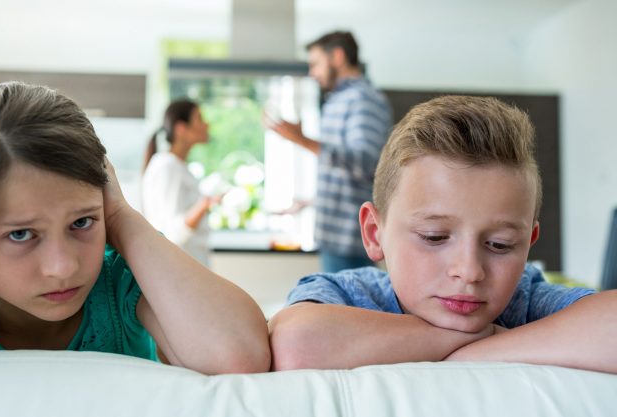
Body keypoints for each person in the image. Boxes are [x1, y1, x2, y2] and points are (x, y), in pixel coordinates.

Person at [0, 82, 271, 374]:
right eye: (20, 234)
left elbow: (239, 356)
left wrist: (123, 220)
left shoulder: (119, 287)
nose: (63, 266)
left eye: (82, 222)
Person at [268, 95, 617, 373]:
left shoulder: (524, 299)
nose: (469, 271)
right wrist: (478, 335)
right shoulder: (345, 294)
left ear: (528, 245)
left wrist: (483, 349)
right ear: (375, 233)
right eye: (434, 237)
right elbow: (294, 344)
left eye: (500, 245)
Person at [266, 30, 392, 272]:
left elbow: (367, 163)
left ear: (337, 56)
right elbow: (346, 176)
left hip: (349, 241)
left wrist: (302, 140)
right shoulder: (339, 100)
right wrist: (311, 202)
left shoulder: (363, 99)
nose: (312, 73)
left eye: (315, 64)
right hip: (334, 238)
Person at [142, 99, 219, 266]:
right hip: (178, 269)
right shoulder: (167, 167)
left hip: (190, 266)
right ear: (181, 129)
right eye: (200, 119)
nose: (206, 125)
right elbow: (172, 231)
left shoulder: (178, 166)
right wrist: (204, 205)